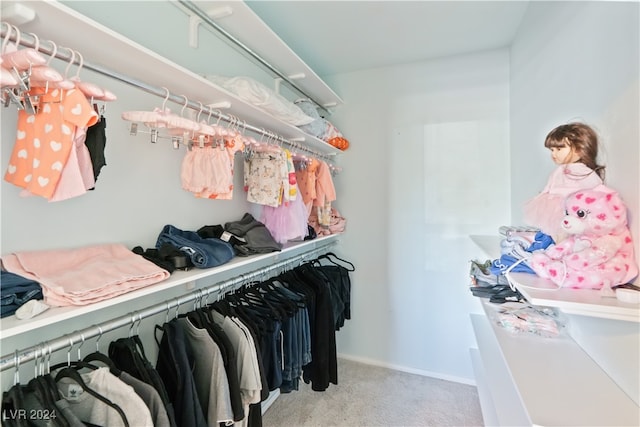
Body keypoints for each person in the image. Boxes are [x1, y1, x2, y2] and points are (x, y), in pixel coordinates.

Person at [523, 122, 605, 242]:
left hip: (576, 211)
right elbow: (548, 188)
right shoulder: (559, 171)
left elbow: (596, 190)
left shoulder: (586, 172)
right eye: (552, 150)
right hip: (558, 210)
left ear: (579, 149)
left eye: (559, 149)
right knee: (559, 237)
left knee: (574, 237)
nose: (553, 154)